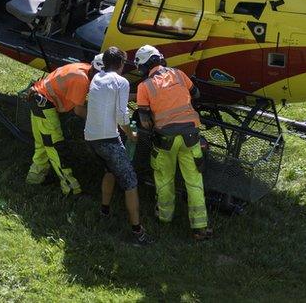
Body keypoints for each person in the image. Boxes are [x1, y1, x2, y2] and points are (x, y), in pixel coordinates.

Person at [133, 46, 212, 241]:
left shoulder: (144, 87)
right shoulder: (179, 74)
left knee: (164, 179)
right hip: (190, 138)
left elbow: (145, 121)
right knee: (194, 182)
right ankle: (200, 228)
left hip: (164, 140)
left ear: (144, 66)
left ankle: (164, 218)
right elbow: (196, 94)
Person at [85, 47, 153, 245]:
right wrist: (131, 134)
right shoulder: (121, 81)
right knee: (131, 182)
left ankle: (104, 210)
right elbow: (121, 114)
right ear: (122, 64)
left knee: (110, 170)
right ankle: (138, 232)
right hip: (109, 140)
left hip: (91, 138)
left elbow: (110, 97)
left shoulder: (97, 78)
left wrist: (135, 96)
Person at [26, 59, 96, 195]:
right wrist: (95, 120)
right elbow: (79, 111)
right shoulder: (82, 80)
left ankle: (34, 178)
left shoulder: (84, 67)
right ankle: (71, 188)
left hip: (37, 99)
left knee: (43, 144)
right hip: (45, 106)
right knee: (55, 147)